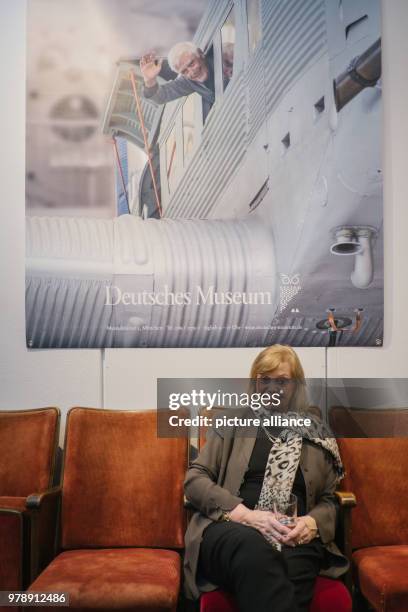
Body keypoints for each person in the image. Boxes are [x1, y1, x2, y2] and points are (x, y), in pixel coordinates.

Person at [183, 345, 349, 612]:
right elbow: (195, 479)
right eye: (265, 379)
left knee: (293, 564)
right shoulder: (231, 422)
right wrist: (247, 516)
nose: (272, 388)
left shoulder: (317, 432)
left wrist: (311, 523)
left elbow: (330, 500)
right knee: (254, 547)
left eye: (282, 381)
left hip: (293, 536)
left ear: (296, 386)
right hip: (232, 529)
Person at [140, 42, 215, 118]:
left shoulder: (220, 55)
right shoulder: (188, 82)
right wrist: (149, 80)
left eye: (191, 64)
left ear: (200, 54)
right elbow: (161, 96)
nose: (192, 72)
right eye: (184, 71)